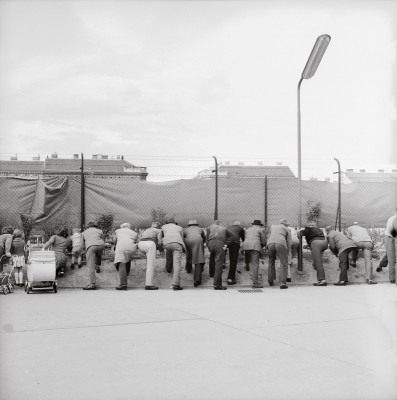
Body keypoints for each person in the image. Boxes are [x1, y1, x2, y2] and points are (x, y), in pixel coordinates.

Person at [299, 221, 329, 286]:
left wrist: (302, 230)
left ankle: (322, 280)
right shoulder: (319, 229)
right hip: (324, 243)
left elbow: (301, 233)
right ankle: (315, 265)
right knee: (317, 258)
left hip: (316, 244)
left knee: (318, 262)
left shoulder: (308, 229)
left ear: (308, 225)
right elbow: (316, 237)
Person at [240, 220, 266, 288]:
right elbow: (263, 240)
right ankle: (255, 283)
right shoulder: (261, 229)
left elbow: (245, 238)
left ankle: (247, 265)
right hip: (255, 246)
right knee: (255, 264)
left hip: (246, 245)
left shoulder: (248, 229)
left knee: (247, 254)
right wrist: (262, 246)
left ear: (253, 224)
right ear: (259, 225)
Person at [161, 217, 186, 290]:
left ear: (167, 223)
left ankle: (168, 268)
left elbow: (161, 235)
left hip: (166, 243)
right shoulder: (180, 228)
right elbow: (182, 239)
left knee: (169, 251)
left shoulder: (163, 227)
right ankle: (176, 284)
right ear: (175, 223)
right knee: (177, 264)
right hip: (177, 244)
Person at [112, 223, 138, 290]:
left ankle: (123, 284)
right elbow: (136, 241)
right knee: (127, 258)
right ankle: (127, 273)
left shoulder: (118, 231)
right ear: (129, 227)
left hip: (121, 247)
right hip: (132, 248)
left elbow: (114, 240)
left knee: (121, 263)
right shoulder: (134, 233)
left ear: (122, 227)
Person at [267, 219, 291, 289]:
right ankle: (283, 283)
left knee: (271, 261)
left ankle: (270, 280)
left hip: (270, 243)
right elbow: (289, 242)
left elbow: (268, 236)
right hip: (280, 243)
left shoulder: (273, 227)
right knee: (284, 263)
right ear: (286, 225)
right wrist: (288, 251)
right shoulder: (287, 229)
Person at [81, 222, 105, 290]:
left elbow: (82, 244)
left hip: (91, 247)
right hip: (101, 245)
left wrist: (83, 251)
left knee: (91, 265)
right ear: (95, 226)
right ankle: (97, 265)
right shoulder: (100, 231)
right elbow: (103, 239)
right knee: (98, 251)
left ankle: (92, 284)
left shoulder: (84, 232)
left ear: (88, 227)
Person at [138, 222, 162, 290]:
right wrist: (160, 248)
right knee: (150, 265)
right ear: (158, 226)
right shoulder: (158, 230)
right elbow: (160, 242)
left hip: (141, 244)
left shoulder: (147, 229)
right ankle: (149, 284)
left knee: (148, 260)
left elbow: (140, 237)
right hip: (150, 244)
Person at [206, 220, 229, 290]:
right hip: (220, 244)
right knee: (219, 263)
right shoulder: (224, 228)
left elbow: (207, 238)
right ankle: (217, 284)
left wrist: (208, 246)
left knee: (212, 257)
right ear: (220, 224)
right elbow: (228, 238)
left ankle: (211, 273)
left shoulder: (209, 227)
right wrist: (226, 245)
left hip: (211, 243)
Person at [183, 220, 206, 287]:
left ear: (189, 225)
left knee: (189, 254)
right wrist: (202, 243)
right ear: (196, 224)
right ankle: (197, 280)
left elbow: (183, 237)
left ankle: (188, 268)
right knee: (198, 259)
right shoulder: (200, 229)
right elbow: (203, 237)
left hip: (187, 241)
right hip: (198, 241)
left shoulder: (186, 229)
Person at [225, 221, 245, 285]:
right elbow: (243, 238)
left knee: (230, 259)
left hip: (227, 243)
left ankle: (223, 263)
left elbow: (226, 236)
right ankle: (230, 279)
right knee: (233, 262)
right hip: (235, 244)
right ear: (239, 225)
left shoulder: (228, 228)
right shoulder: (240, 228)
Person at [384, 208, 397, 284]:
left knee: (391, 258)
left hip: (388, 236)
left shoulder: (391, 218)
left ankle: (392, 279)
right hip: (392, 236)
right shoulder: (394, 219)